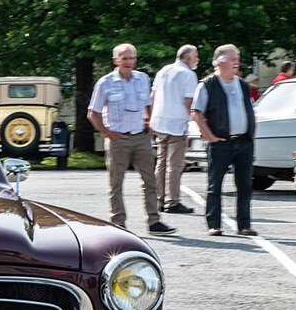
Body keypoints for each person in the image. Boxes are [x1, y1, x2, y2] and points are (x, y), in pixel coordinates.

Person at [87, 43, 176, 235]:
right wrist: (108, 133)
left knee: (150, 181)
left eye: (131, 58)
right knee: (116, 183)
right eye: (124, 58)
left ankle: (154, 222)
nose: (128, 62)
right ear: (116, 60)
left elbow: (148, 105)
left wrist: (151, 122)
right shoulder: (106, 82)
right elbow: (92, 113)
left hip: (141, 137)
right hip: (118, 139)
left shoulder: (142, 79)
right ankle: (118, 221)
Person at [191, 44, 258, 237]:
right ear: (220, 62)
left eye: (237, 59)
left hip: (244, 142)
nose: (237, 62)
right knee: (215, 185)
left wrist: (252, 130)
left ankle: (244, 225)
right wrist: (210, 136)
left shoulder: (243, 85)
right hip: (221, 142)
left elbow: (251, 109)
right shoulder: (207, 85)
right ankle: (214, 224)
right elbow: (196, 112)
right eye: (233, 59)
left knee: (245, 184)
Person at [149, 45, 198, 214]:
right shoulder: (188, 74)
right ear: (187, 58)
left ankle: (159, 198)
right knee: (174, 165)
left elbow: (152, 96)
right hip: (177, 122)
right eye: (195, 56)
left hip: (160, 121)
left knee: (161, 162)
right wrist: (194, 120)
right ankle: (173, 201)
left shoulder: (163, 70)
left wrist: (150, 118)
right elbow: (188, 101)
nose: (197, 59)